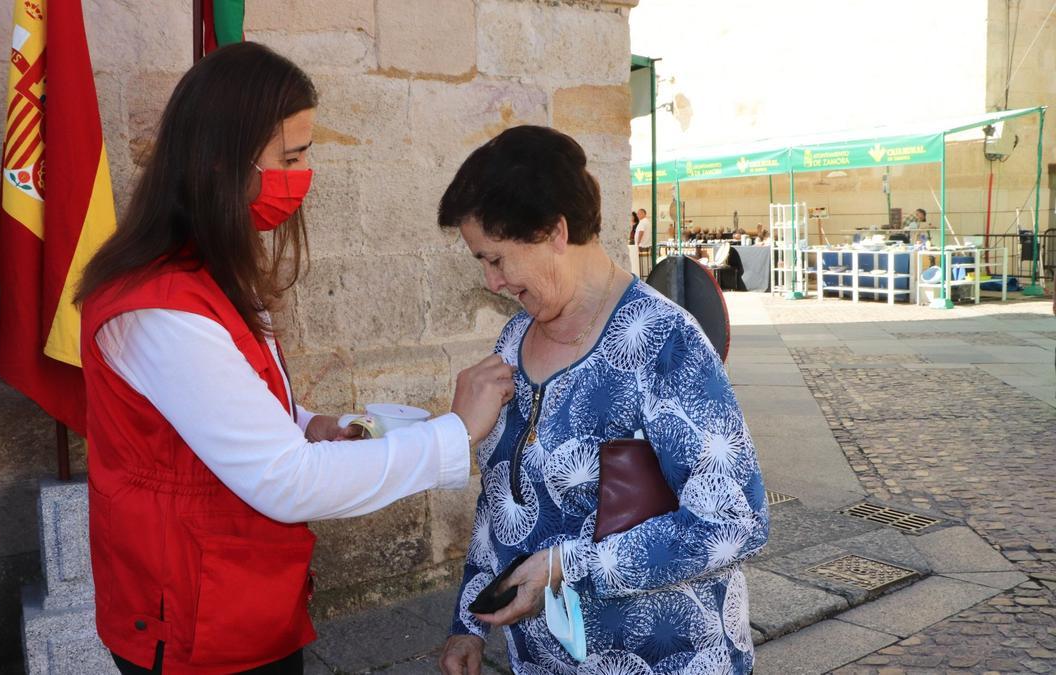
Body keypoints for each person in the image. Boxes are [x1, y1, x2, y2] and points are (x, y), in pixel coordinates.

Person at [73, 43, 514, 675]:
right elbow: (285, 482)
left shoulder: (207, 269)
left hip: (241, 595)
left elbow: (228, 401)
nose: (304, 174)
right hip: (195, 619)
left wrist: (307, 423)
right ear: (222, 160)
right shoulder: (162, 309)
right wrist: (455, 432)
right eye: (291, 157)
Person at [435, 126, 769, 673]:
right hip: (544, 661)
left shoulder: (664, 341)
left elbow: (736, 520)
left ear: (554, 232)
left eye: (497, 259)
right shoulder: (513, 341)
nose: (492, 282)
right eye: (481, 262)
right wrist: (468, 624)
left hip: (667, 660)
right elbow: (500, 497)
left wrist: (570, 566)